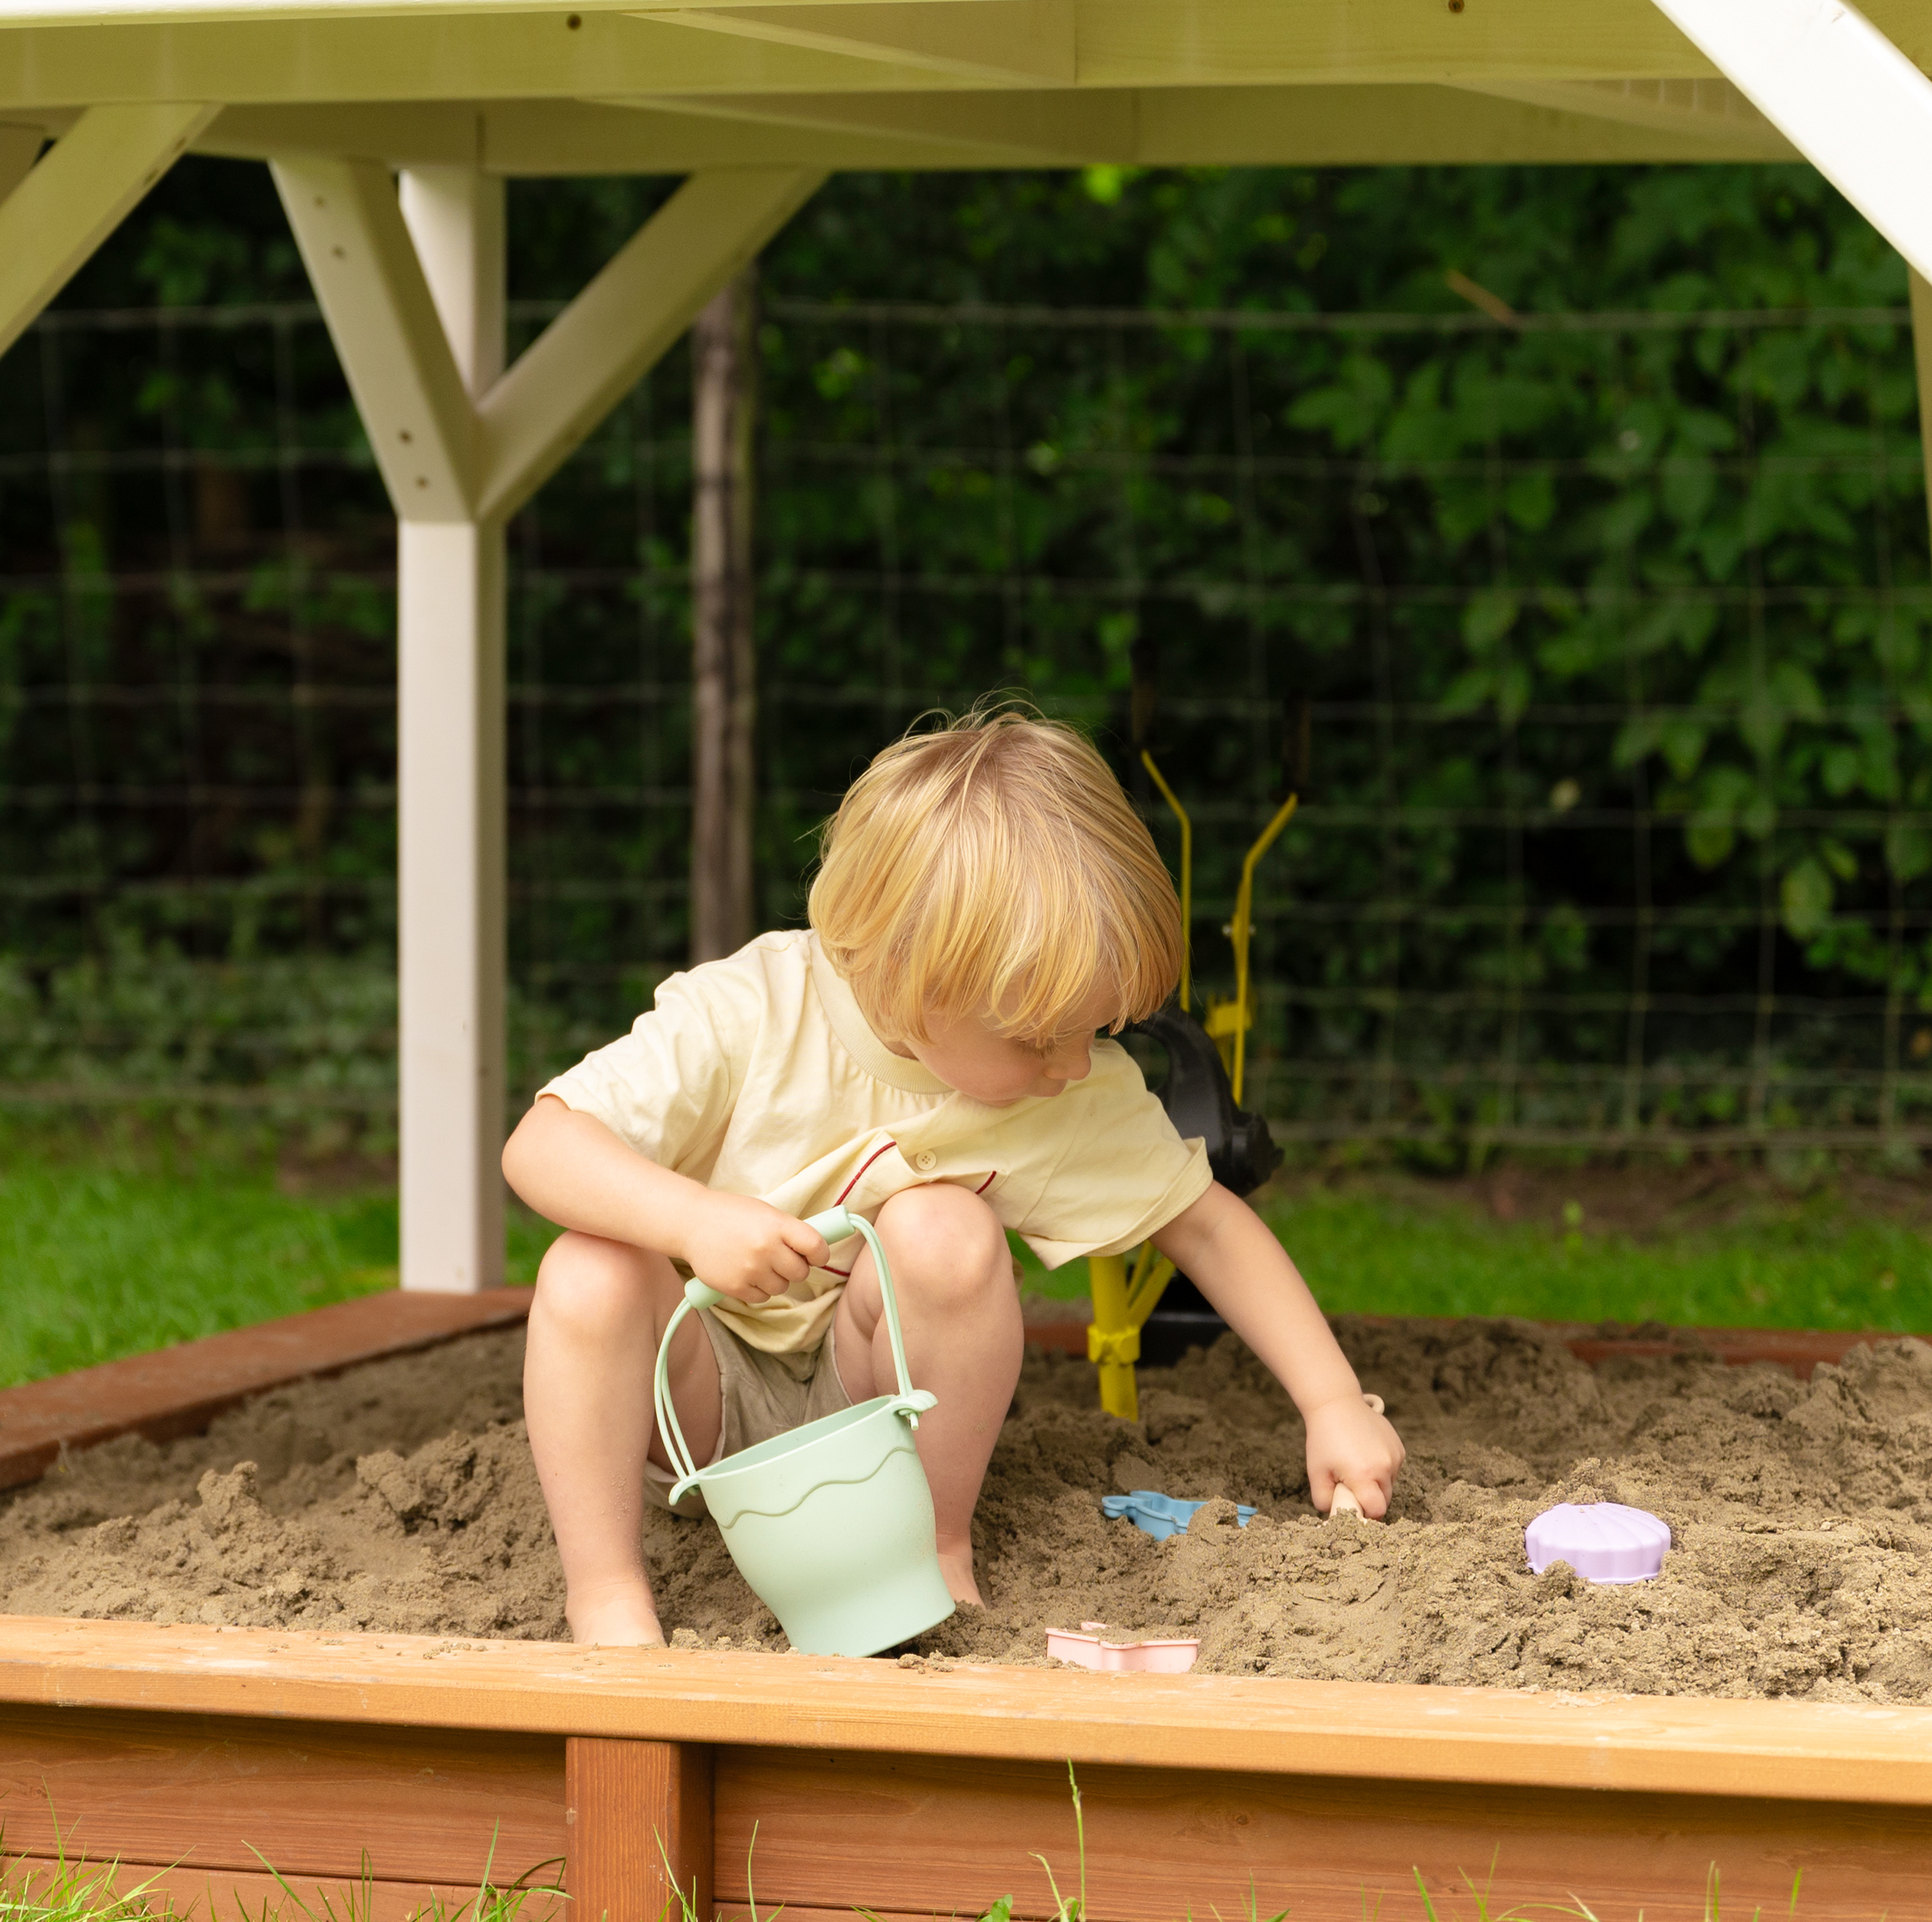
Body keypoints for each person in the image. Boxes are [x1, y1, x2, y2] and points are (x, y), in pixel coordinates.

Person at [503, 705, 1405, 1648]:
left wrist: (1334, 1402)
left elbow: (1208, 1226)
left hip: (876, 1419)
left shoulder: (1058, 1089)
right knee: (587, 1270)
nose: (1069, 1065)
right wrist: (692, 1222)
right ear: (904, 977)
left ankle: (931, 1548)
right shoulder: (749, 1013)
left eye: (1095, 1032)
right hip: (696, 1403)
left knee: (949, 1232)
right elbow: (540, 1146)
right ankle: (606, 1594)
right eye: (1035, 1038)